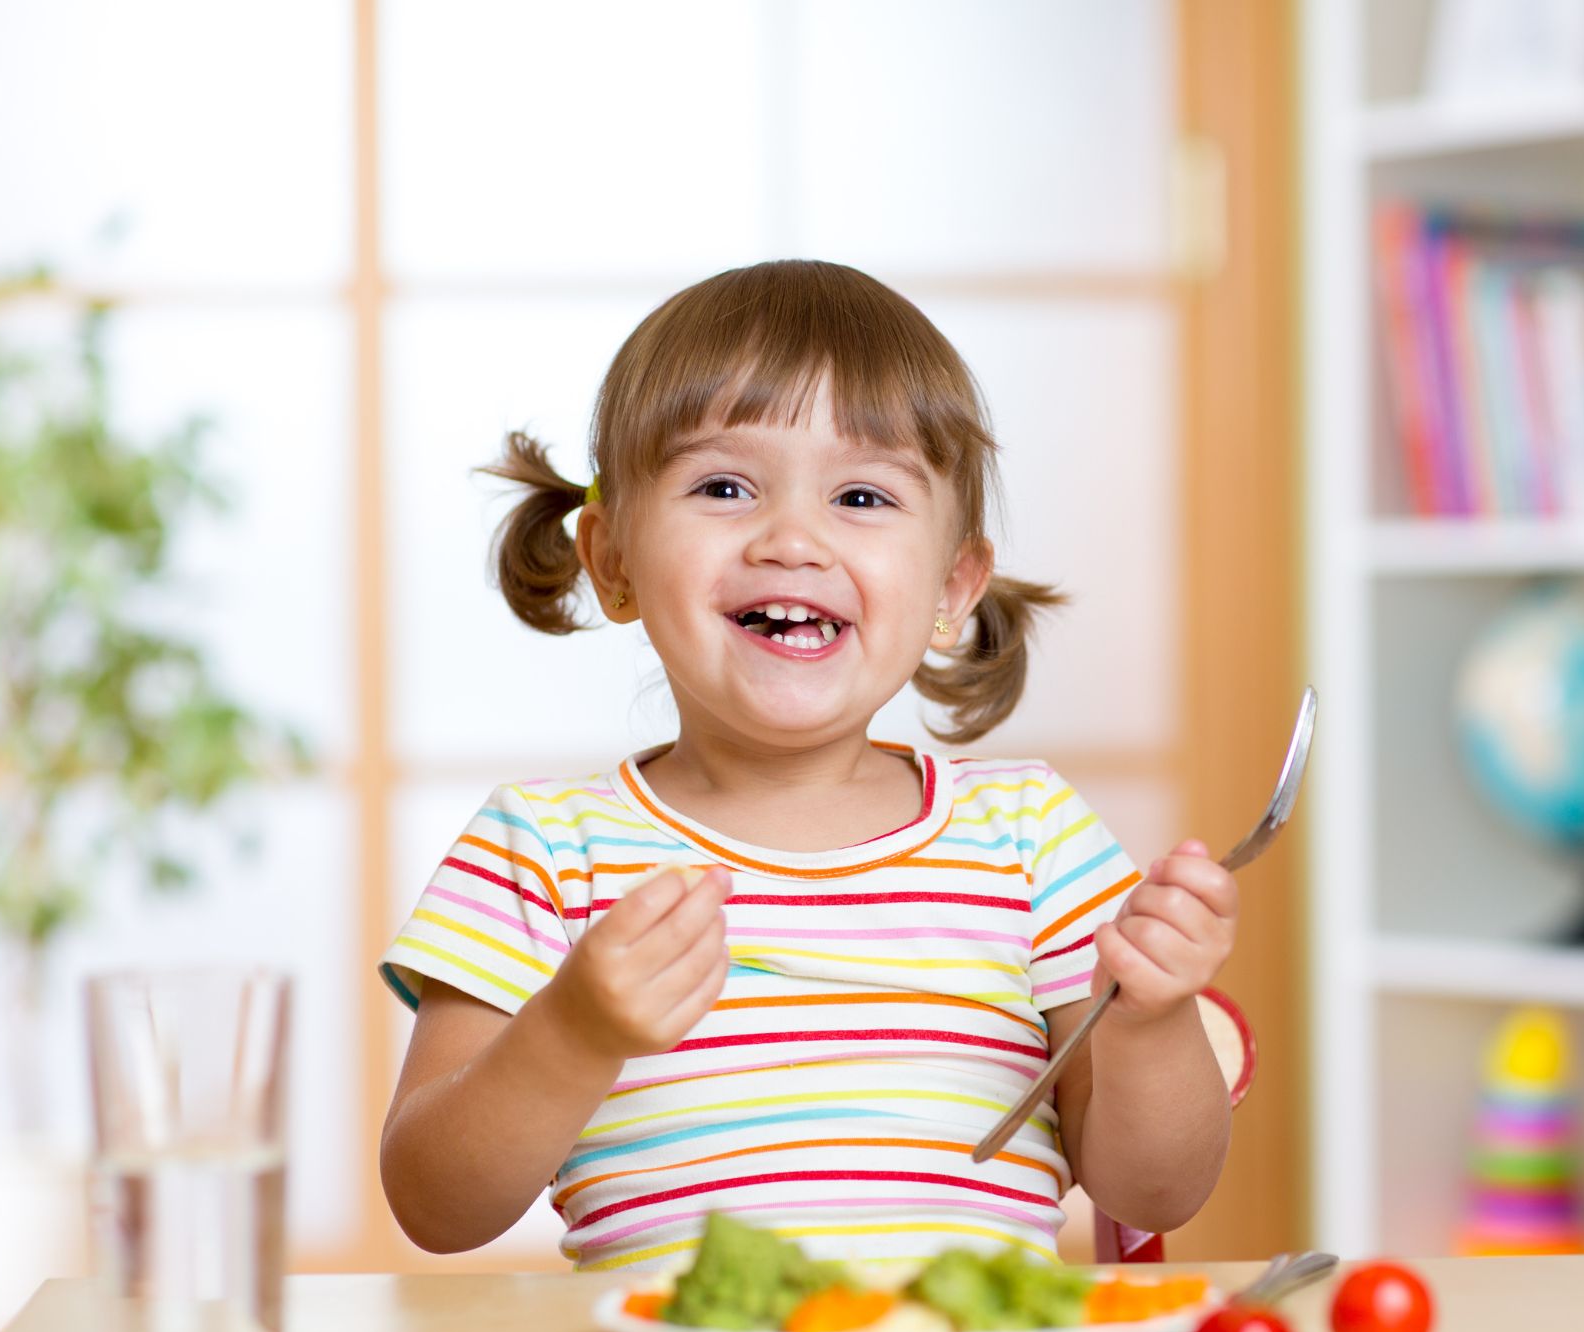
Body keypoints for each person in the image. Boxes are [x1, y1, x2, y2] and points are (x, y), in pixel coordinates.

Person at [378, 259, 1237, 1274]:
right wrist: (569, 1032)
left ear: (953, 585)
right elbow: (434, 1202)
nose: (792, 539)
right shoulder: (544, 846)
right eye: (724, 486)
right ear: (611, 560)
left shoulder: (1030, 835)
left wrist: (1149, 1020)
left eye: (862, 495)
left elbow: (1153, 1190)